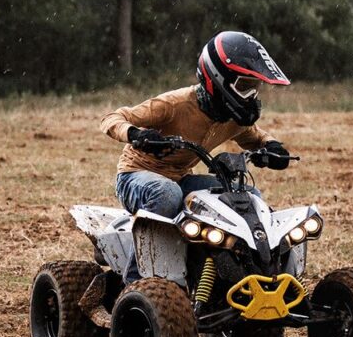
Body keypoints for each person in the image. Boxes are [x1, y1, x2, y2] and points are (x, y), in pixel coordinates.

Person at [101, 31, 292, 281]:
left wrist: (273, 148)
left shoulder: (232, 118)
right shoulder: (174, 104)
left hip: (180, 179)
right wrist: (136, 134)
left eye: (254, 89)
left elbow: (256, 137)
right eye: (245, 87)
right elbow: (112, 118)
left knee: (249, 197)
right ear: (219, 79)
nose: (251, 96)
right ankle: (136, 281)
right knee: (167, 194)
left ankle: (245, 276)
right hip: (135, 176)